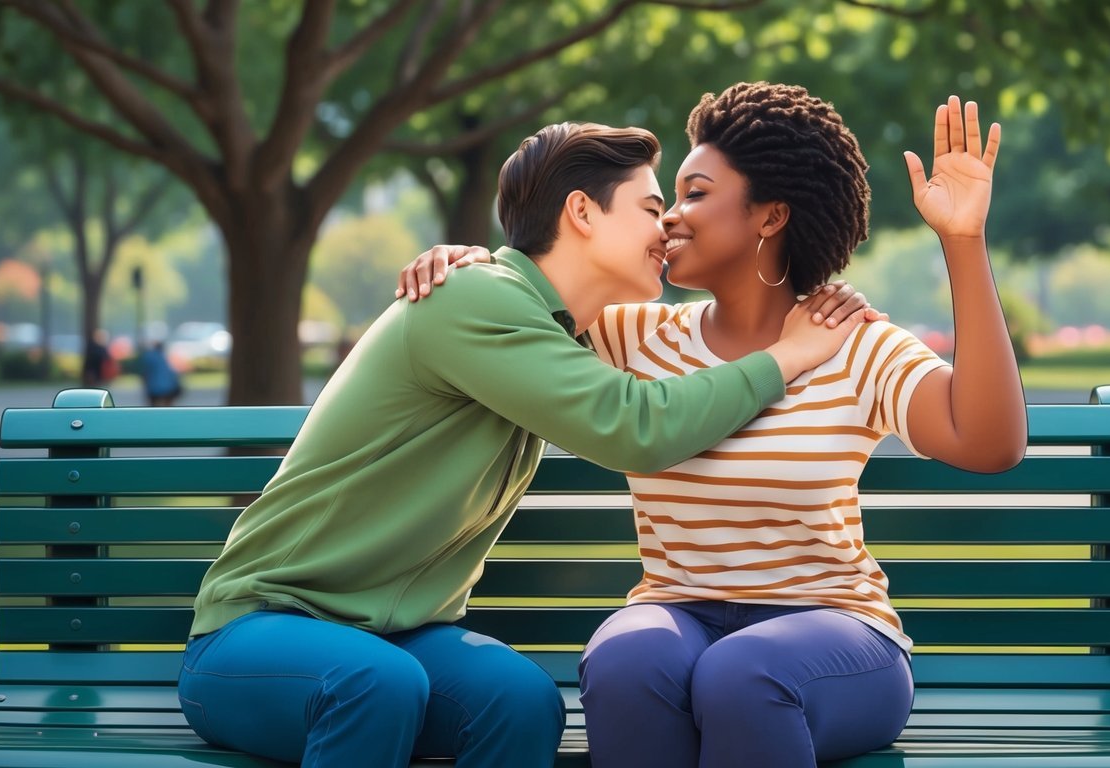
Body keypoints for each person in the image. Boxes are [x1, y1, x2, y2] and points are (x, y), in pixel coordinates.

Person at [177, 121, 875, 768]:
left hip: (399, 637)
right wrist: (787, 356)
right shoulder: (475, 300)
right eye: (647, 205)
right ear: (579, 212)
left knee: (518, 703)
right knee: (374, 684)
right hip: (261, 631)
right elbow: (640, 427)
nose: (666, 224)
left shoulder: (539, 322)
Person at [401, 84, 1027, 766]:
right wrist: (471, 267)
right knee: (625, 662)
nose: (668, 218)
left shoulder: (848, 340)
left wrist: (962, 241)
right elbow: (519, 310)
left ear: (770, 215)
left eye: (694, 194)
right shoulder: (627, 337)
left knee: (743, 675)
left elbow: (989, 443)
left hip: (838, 637)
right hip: (678, 611)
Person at [140, 341, 182, 406]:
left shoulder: (149, 356)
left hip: (153, 388)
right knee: (167, 405)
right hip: (168, 387)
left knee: (153, 407)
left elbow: (145, 371)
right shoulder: (166, 357)